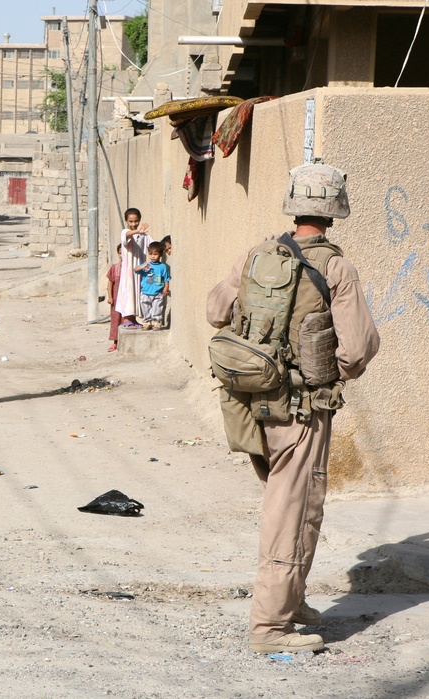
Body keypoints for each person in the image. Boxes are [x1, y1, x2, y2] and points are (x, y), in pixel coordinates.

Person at [206, 162, 380, 654]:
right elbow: (357, 348)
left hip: (249, 404)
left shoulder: (259, 253)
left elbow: (216, 311)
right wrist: (321, 372)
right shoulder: (336, 268)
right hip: (303, 410)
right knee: (290, 508)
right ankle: (269, 627)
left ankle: (291, 601)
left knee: (304, 502)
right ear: (334, 211)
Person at [114, 207, 153, 328]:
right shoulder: (125, 232)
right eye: (130, 221)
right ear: (126, 221)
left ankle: (133, 318)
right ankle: (126, 320)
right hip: (129, 270)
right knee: (129, 291)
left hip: (140, 269)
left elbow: (152, 244)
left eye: (136, 221)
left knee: (137, 292)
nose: (134, 224)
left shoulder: (143, 235)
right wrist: (137, 231)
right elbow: (127, 236)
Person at [134, 241, 171, 330]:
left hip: (158, 293)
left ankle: (157, 322)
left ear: (160, 255)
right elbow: (135, 270)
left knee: (157, 308)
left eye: (155, 254)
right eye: (150, 254)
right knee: (145, 307)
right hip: (145, 292)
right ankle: (147, 322)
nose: (152, 256)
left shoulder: (163, 267)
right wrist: (143, 267)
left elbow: (166, 279)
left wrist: (166, 288)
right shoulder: (146, 265)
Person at [105, 251, 122, 352]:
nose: (122, 255)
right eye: (120, 253)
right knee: (116, 319)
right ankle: (115, 342)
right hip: (116, 299)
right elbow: (110, 283)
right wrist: (110, 297)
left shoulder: (130, 268)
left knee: (125, 319)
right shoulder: (115, 268)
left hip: (126, 300)